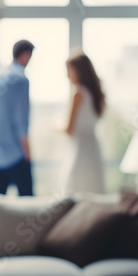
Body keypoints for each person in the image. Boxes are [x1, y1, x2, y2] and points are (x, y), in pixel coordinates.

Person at [0, 40, 34, 196]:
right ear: (25, 55)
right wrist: (27, 152)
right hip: (17, 154)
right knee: (28, 207)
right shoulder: (21, 80)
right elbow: (20, 120)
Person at [60, 51, 106, 194]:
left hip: (79, 150)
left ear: (79, 71)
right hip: (93, 148)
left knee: (74, 191)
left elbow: (69, 129)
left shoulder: (78, 93)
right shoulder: (96, 94)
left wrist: (55, 125)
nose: (68, 76)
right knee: (93, 191)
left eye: (70, 71)